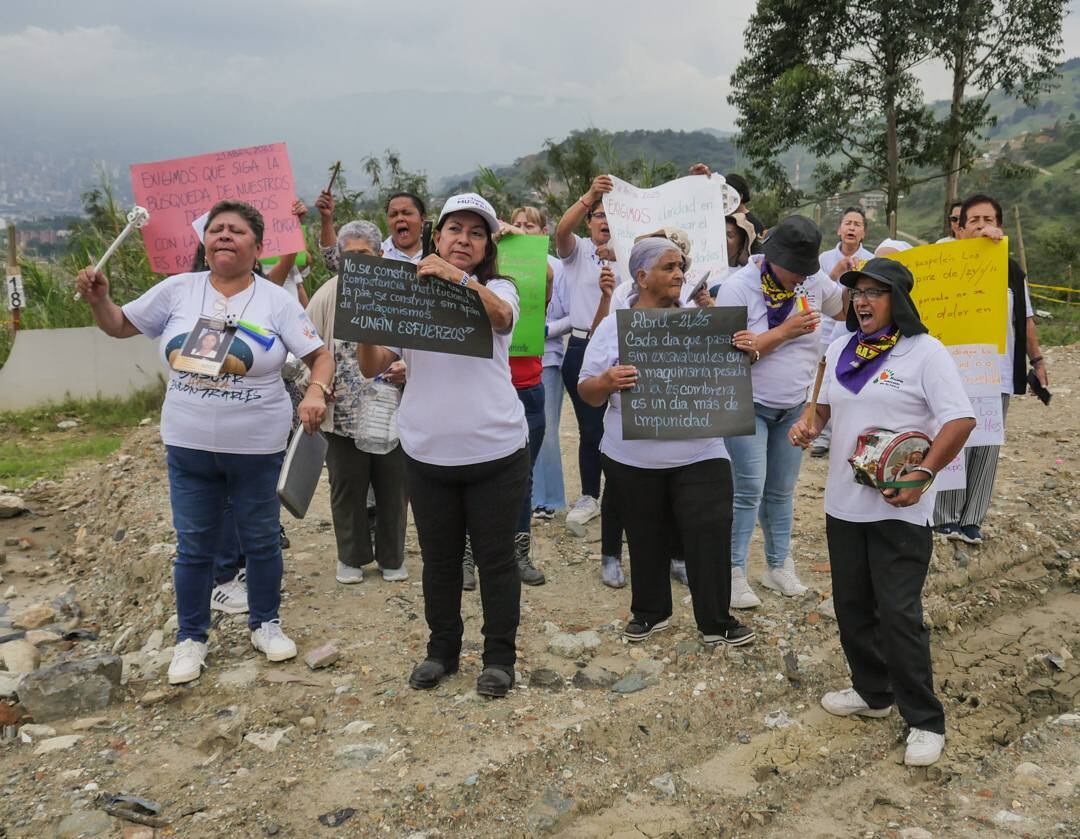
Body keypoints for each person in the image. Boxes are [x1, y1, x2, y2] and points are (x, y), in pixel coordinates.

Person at [75, 200, 334, 685]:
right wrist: (99, 300)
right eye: (216, 229)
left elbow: (320, 356)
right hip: (188, 446)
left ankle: (266, 624)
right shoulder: (178, 290)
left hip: (257, 448)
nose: (224, 236)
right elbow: (119, 325)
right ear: (205, 242)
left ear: (258, 246)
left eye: (236, 230)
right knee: (194, 547)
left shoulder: (275, 301)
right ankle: (191, 639)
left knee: (261, 540)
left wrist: (316, 391)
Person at [788, 257, 975, 767]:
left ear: (899, 300)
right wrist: (808, 424)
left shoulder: (925, 353)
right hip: (844, 504)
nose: (862, 301)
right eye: (857, 292)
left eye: (875, 292)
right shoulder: (841, 348)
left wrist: (923, 475)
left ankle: (925, 720)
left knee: (898, 615)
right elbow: (824, 407)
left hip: (900, 509)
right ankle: (872, 692)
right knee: (852, 607)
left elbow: (960, 419)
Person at [357, 193, 529, 698]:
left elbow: (502, 318)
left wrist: (456, 278)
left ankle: (499, 659)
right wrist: (364, 324)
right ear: (438, 236)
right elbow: (372, 365)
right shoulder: (409, 290)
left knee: (496, 561)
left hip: (496, 452)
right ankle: (442, 651)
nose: (464, 240)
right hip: (427, 453)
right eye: (455, 229)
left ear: (487, 246)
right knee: (439, 561)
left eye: (477, 233)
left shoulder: (499, 287)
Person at [578, 237, 755, 647]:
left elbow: (735, 374)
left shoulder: (704, 321)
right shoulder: (614, 326)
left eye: (681, 267)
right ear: (641, 277)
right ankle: (650, 612)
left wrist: (747, 352)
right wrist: (607, 381)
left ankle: (716, 621)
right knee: (644, 535)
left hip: (702, 451)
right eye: (669, 267)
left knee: (710, 531)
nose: (679, 274)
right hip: (632, 458)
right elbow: (587, 391)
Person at [714, 216, 845, 609]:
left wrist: (865, 285)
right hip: (746, 404)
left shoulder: (813, 282)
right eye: (794, 270)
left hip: (793, 406)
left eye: (806, 269)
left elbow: (844, 310)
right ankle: (732, 571)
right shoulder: (739, 288)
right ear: (772, 258)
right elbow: (725, 358)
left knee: (781, 490)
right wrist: (784, 331)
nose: (799, 278)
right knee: (748, 489)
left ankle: (778, 565)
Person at [932, 193, 1048, 545]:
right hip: (954, 369)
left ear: (1000, 225)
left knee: (987, 444)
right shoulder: (945, 261)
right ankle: (945, 516)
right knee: (954, 440)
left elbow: (1025, 319)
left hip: (995, 371)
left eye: (989, 219)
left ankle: (972, 518)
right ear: (960, 228)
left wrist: (1037, 361)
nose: (982, 226)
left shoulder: (1011, 270)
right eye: (974, 220)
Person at [305, 220, 409, 584]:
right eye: (350, 256)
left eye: (364, 254)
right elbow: (304, 348)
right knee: (346, 487)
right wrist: (317, 386)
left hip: (393, 408)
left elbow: (422, 344)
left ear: (380, 255)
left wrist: (408, 368)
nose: (358, 262)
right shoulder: (326, 295)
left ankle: (392, 557)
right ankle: (350, 557)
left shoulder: (400, 293)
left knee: (394, 487)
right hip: (344, 411)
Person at [554, 175, 616, 536]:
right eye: (599, 214)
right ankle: (591, 495)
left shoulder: (637, 253)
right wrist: (589, 195)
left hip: (624, 345)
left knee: (623, 427)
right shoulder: (577, 251)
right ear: (589, 220)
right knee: (590, 428)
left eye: (612, 215)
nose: (605, 221)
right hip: (581, 346)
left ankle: (622, 497)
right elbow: (561, 231)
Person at [810, 207, 874, 458]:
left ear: (863, 233)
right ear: (839, 229)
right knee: (820, 380)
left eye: (857, 224)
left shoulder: (869, 259)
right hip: (823, 327)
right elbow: (812, 289)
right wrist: (835, 273)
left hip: (853, 330)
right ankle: (821, 436)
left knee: (849, 379)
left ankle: (849, 436)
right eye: (848, 223)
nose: (852, 228)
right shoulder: (825, 258)